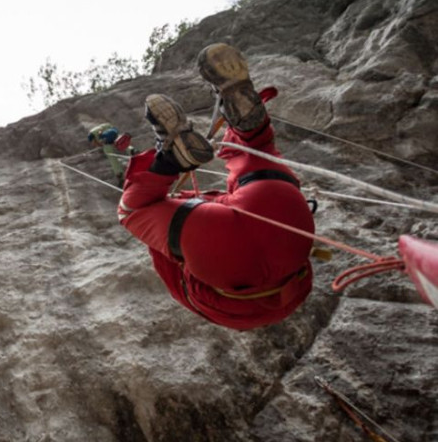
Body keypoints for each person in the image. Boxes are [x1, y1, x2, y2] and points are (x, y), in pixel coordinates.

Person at [118, 43, 315, 330]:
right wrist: (170, 191)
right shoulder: (199, 298)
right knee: (133, 210)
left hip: (289, 230)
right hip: (221, 244)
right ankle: (167, 159)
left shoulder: (282, 300)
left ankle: (249, 129)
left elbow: (232, 216)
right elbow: (169, 241)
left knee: (258, 152)